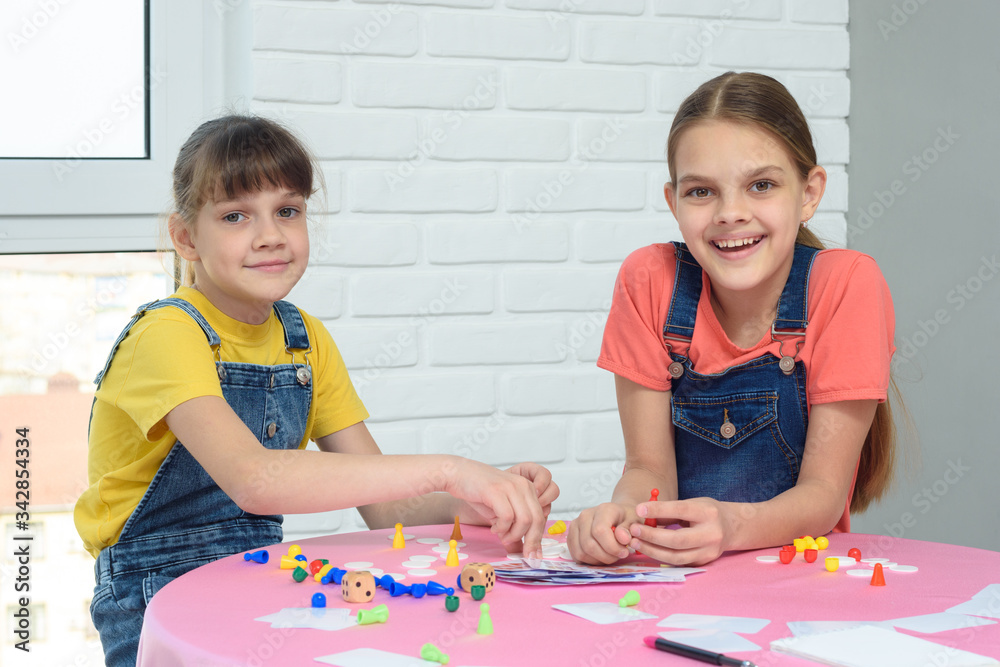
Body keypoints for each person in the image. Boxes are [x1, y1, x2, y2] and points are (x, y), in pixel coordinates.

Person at [74, 115, 559, 666]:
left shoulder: (303, 340)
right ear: (186, 237)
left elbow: (387, 509)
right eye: (235, 216)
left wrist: (470, 503)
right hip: (155, 594)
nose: (270, 235)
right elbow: (255, 479)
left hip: (251, 579)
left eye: (288, 210)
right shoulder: (166, 335)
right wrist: (451, 468)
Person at [567, 72, 898, 568]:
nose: (730, 213)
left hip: (795, 574)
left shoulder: (846, 284)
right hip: (686, 574)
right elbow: (648, 469)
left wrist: (731, 527)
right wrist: (621, 516)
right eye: (702, 192)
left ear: (809, 193)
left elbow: (823, 494)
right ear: (674, 202)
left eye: (761, 185)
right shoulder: (650, 280)